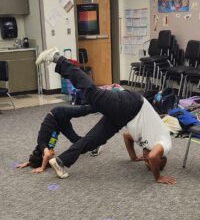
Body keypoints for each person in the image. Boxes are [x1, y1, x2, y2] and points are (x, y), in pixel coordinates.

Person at [36, 47, 176, 185]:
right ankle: (57, 58)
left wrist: (133, 156)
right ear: (161, 157)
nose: (146, 158)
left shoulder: (150, 144)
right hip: (132, 104)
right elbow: (153, 156)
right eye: (149, 161)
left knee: (92, 140)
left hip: (122, 118)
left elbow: (127, 136)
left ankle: (60, 161)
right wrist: (158, 177)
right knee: (92, 94)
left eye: (145, 162)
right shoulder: (165, 144)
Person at [16, 105, 101, 175]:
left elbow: (47, 155)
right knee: (75, 140)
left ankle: (104, 105)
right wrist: (29, 163)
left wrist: (42, 168)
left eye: (47, 159)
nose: (52, 155)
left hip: (58, 113)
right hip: (61, 123)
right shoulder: (45, 147)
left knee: (83, 110)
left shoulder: (41, 142)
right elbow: (43, 154)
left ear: (42, 155)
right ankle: (95, 145)